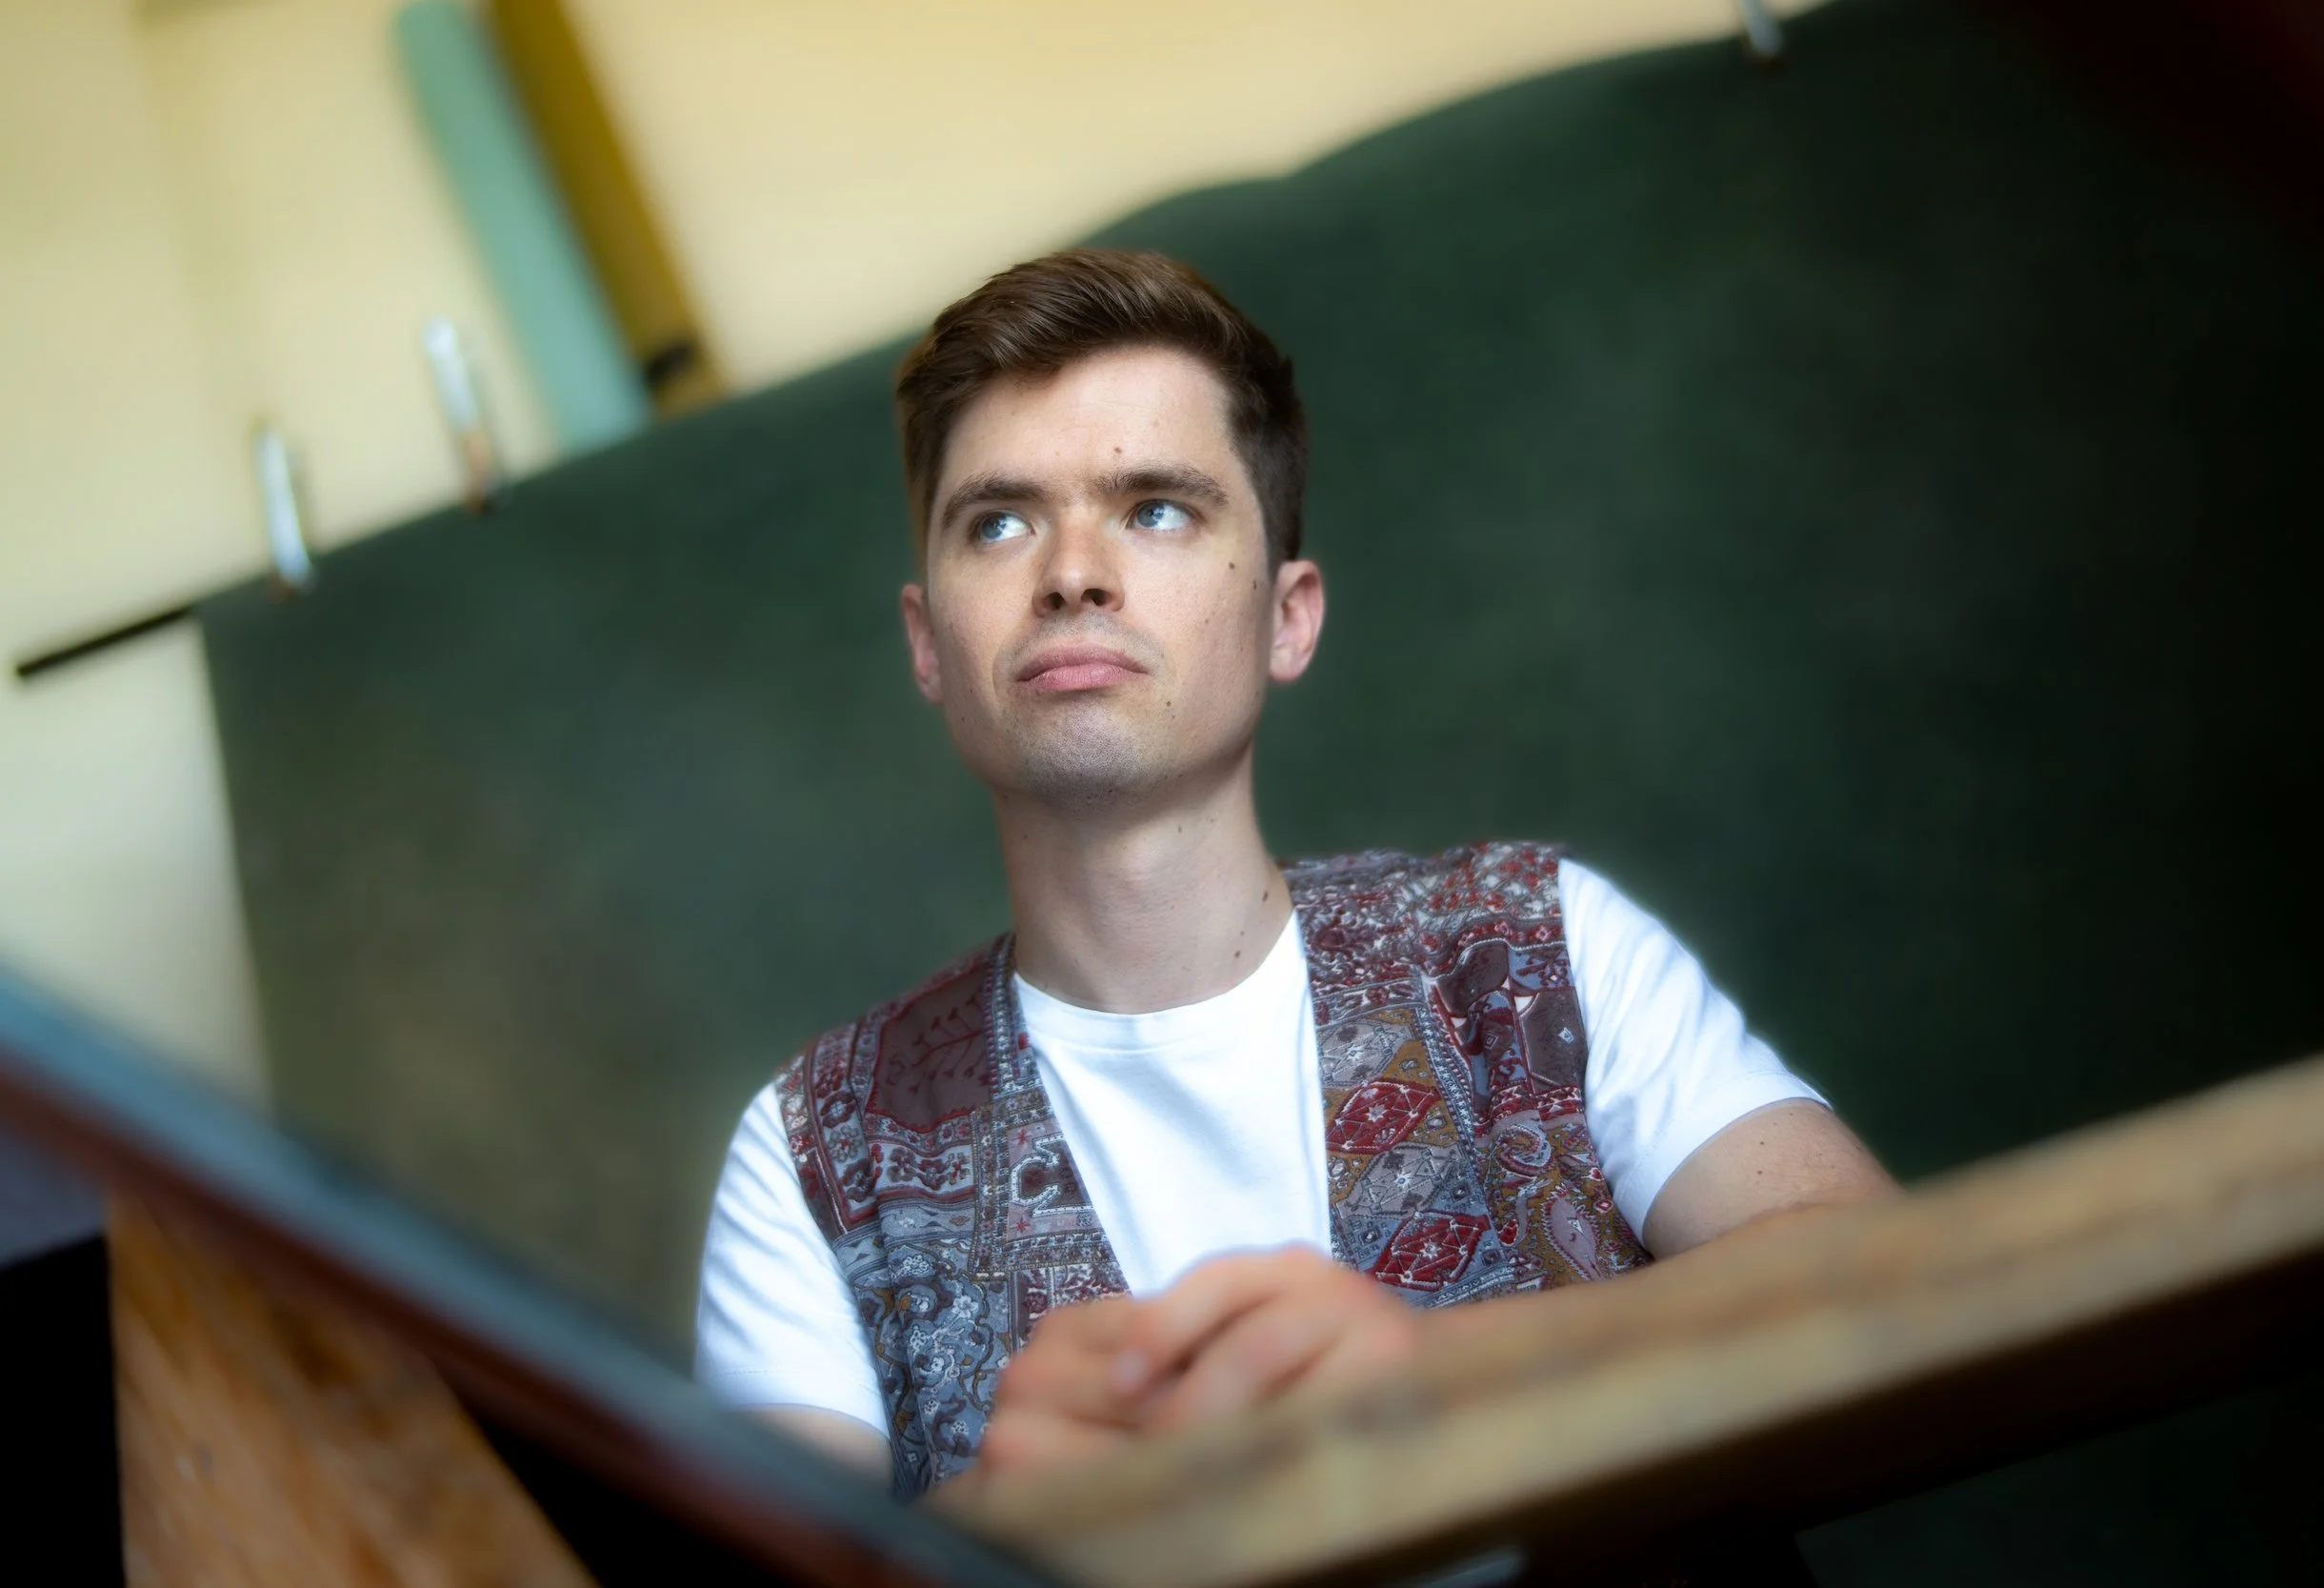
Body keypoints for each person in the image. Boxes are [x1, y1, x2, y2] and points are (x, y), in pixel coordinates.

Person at [694, 248, 1895, 1499]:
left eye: (1157, 507)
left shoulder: (1535, 948)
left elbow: (1882, 1273)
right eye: (999, 522)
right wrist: (1011, 1531)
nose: (1071, 572)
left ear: (1289, 615)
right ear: (925, 642)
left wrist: (1435, 1377)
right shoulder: (810, 1155)